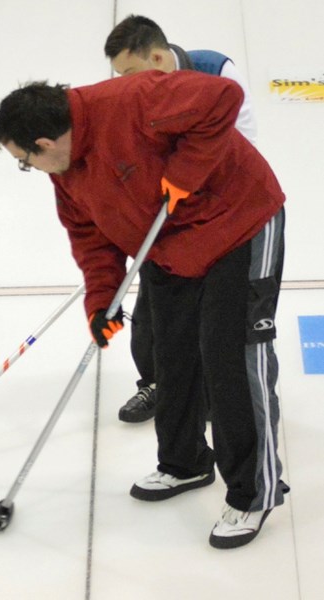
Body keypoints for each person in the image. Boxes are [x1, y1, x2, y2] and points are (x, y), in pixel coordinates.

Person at [0, 71, 286, 549]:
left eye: (26, 161)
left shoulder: (135, 99)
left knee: (231, 359)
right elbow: (90, 237)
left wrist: (185, 173)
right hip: (168, 246)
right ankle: (185, 463)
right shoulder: (65, 173)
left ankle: (254, 493)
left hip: (238, 224)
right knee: (169, 356)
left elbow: (223, 97)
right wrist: (101, 300)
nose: (33, 169)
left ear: (44, 142)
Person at [104, 14, 258, 423]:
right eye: (119, 75)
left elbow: (240, 143)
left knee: (213, 314)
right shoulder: (129, 92)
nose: (125, 83)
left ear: (157, 56)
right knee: (155, 309)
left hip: (218, 216)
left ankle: (210, 390)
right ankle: (157, 383)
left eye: (131, 72)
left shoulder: (215, 70)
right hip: (163, 217)